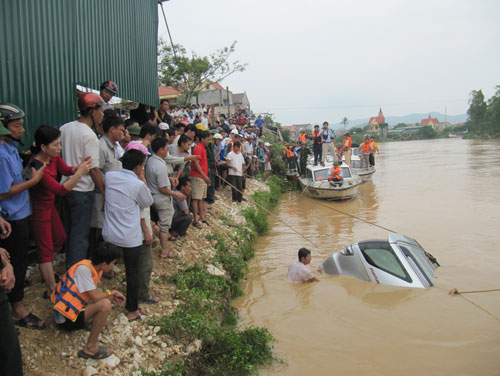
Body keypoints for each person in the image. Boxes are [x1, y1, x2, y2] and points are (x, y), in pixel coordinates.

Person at [29, 125, 92, 297]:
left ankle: (46, 269)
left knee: (60, 238)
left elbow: (66, 170)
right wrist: (79, 174)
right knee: (45, 249)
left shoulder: (53, 158)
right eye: (56, 145)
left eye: (60, 144)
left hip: (50, 207)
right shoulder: (37, 166)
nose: (59, 148)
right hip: (39, 210)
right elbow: (61, 190)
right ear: (43, 147)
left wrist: (80, 166)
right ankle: (51, 288)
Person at [0, 103, 47, 330]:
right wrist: (33, 181)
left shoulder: (8, 148)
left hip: (21, 211)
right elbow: (4, 192)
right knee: (16, 261)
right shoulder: (0, 154)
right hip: (12, 217)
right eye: (17, 125)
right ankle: (18, 309)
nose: (21, 129)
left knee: (20, 261)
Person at [51, 242, 126, 359]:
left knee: (105, 300)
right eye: (112, 263)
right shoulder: (84, 271)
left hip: (71, 311)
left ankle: (89, 323)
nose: (113, 266)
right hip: (66, 319)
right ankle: (91, 348)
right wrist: (112, 293)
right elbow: (95, 297)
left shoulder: (90, 267)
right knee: (105, 305)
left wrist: (111, 296)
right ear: (103, 264)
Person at [102, 150, 153, 321]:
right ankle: (132, 310)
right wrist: (143, 179)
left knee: (101, 267)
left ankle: (96, 300)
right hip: (130, 236)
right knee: (132, 272)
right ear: (138, 167)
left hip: (109, 233)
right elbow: (147, 202)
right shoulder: (136, 184)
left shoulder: (109, 176)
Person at [60, 93, 104, 268]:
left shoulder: (65, 128)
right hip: (83, 190)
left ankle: (70, 266)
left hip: (65, 186)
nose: (101, 115)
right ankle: (75, 275)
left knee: (70, 231)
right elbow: (93, 169)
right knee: (80, 235)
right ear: (92, 110)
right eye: (100, 111)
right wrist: (104, 191)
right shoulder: (90, 136)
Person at [90, 114, 124, 261]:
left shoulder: (115, 147)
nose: (123, 133)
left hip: (111, 195)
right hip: (101, 195)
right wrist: (104, 192)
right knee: (99, 228)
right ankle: (98, 261)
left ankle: (107, 261)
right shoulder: (101, 146)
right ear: (112, 129)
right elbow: (96, 171)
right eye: (121, 130)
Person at [146, 137, 185, 258]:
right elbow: (163, 189)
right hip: (162, 199)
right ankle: (164, 251)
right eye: (166, 148)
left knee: (161, 223)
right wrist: (176, 194)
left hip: (153, 196)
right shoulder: (161, 166)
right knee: (165, 225)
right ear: (161, 149)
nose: (168, 151)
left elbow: (155, 179)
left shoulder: (151, 161)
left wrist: (169, 179)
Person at [190, 131, 211, 228]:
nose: (209, 141)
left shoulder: (203, 148)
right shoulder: (198, 148)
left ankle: (202, 217)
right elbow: (196, 164)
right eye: (207, 139)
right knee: (196, 199)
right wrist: (204, 175)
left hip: (202, 177)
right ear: (202, 139)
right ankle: (195, 220)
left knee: (201, 198)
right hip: (197, 176)